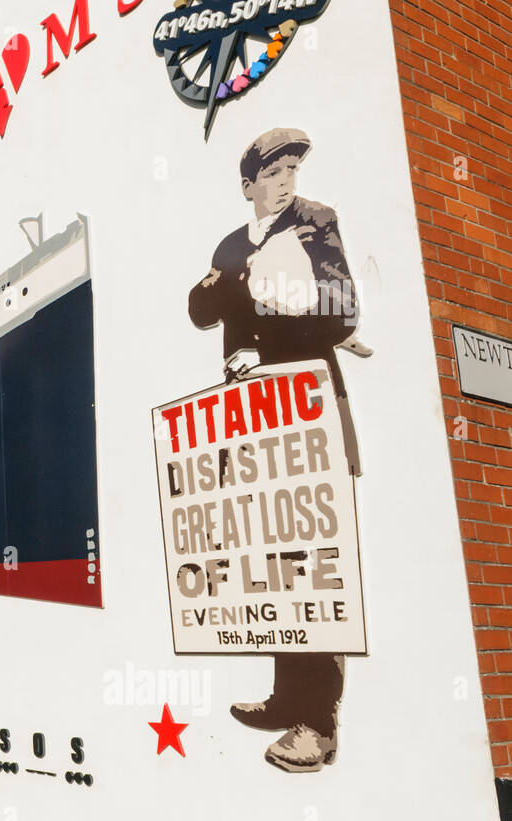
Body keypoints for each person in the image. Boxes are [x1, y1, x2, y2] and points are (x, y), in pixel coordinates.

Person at [188, 128, 370, 773]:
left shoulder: (318, 221)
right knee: (272, 551)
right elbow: (200, 308)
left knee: (314, 554)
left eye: (293, 167)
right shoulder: (232, 244)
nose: (287, 179)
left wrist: (288, 298)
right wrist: (235, 283)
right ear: (248, 186)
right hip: (251, 416)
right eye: (273, 171)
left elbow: (344, 310)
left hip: (308, 406)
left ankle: (317, 724)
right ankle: (286, 697)